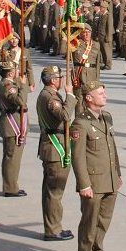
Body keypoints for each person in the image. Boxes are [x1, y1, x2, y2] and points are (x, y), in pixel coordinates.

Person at [71, 80, 122, 251]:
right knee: (89, 221)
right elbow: (78, 157)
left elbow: (112, 148)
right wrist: (84, 184)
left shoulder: (106, 118)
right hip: (93, 182)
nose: (105, 96)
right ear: (89, 98)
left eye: (104, 93)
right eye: (100, 93)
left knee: (103, 221)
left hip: (109, 179)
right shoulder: (81, 123)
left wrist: (117, 173)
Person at [36, 65, 77, 241]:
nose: (62, 80)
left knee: (50, 191)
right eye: (60, 77)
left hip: (51, 144)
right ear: (53, 80)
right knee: (55, 192)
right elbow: (65, 115)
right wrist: (71, 96)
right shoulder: (50, 97)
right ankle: (53, 230)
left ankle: (52, 226)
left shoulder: (48, 94)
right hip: (55, 148)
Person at [0, 61, 27, 197]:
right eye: (14, 69)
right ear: (10, 72)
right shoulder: (8, 86)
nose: (16, 71)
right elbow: (20, 101)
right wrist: (23, 85)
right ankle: (10, 188)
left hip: (11, 123)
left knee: (12, 158)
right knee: (12, 158)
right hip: (11, 124)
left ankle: (11, 185)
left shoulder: (7, 84)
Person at [73, 25, 102, 113]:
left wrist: (97, 80)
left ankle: (89, 121)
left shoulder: (96, 45)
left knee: (90, 100)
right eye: (84, 32)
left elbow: (97, 64)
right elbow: (63, 51)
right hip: (78, 75)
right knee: (79, 100)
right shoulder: (75, 43)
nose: (86, 34)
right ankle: (79, 122)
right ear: (80, 34)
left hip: (91, 75)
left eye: (88, 32)